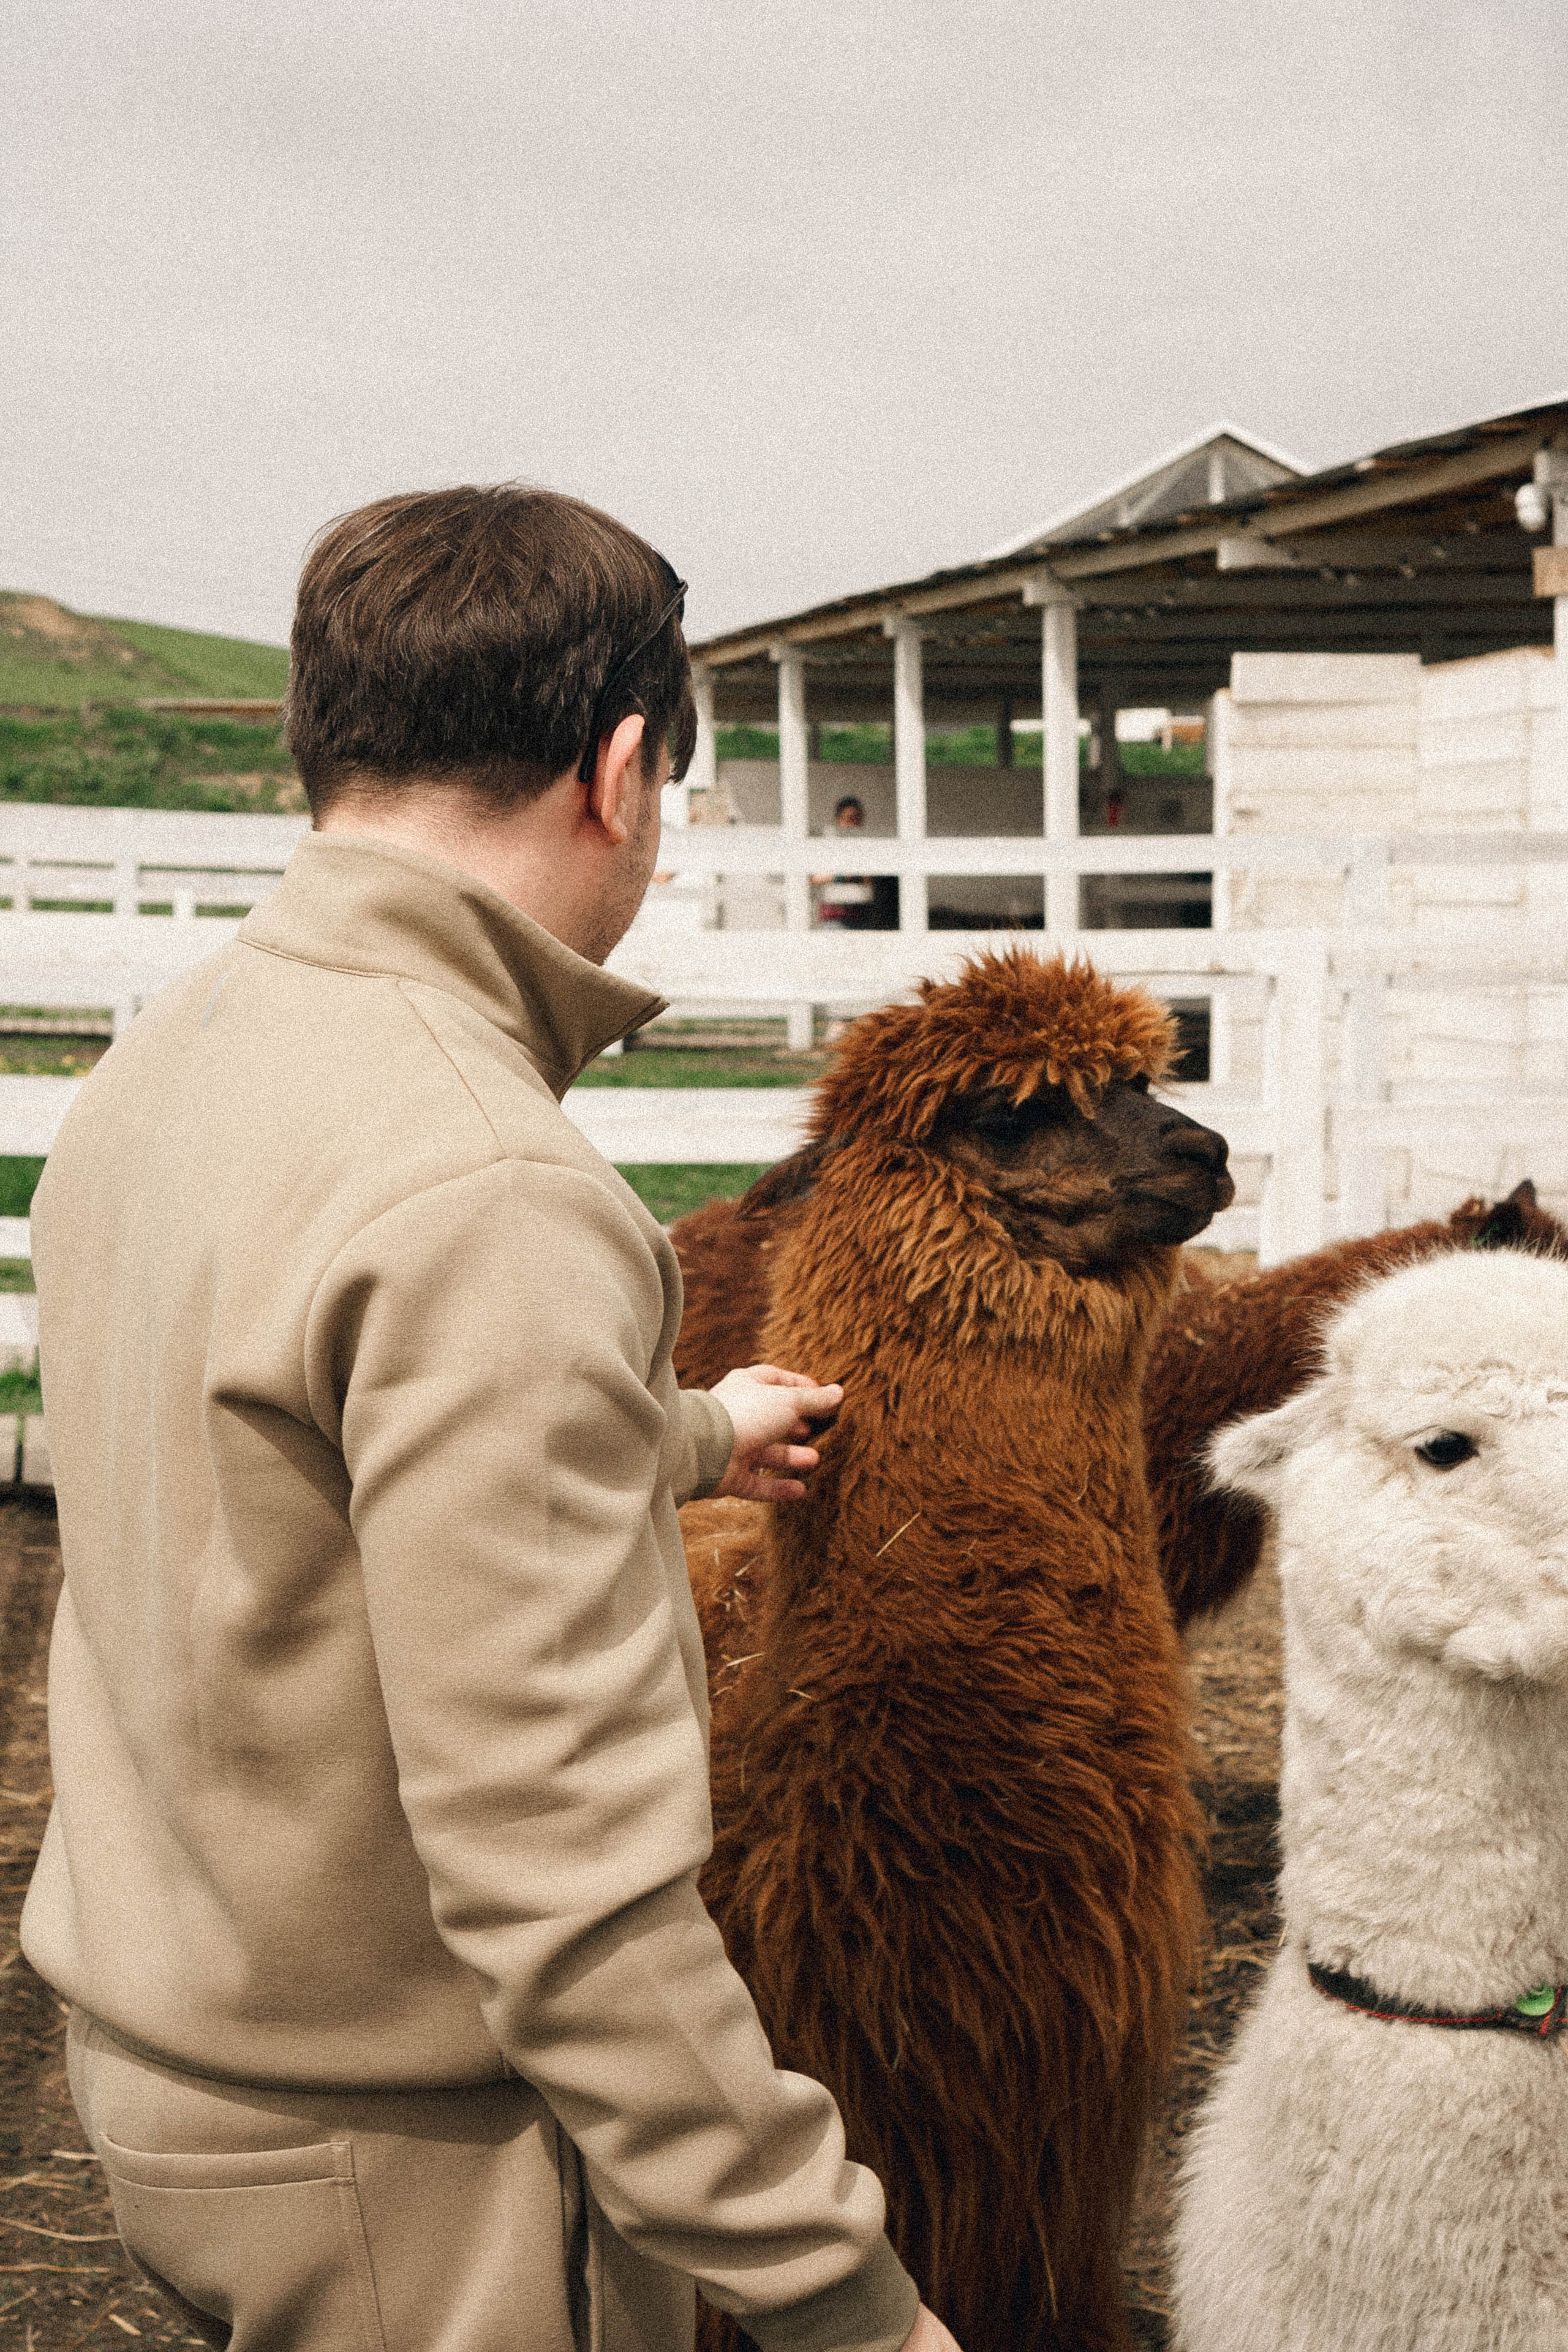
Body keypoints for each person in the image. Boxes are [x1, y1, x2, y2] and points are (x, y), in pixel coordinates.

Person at [23, 488, 959, 2352]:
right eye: (670, 793)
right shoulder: (483, 1185)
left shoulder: (174, 1057)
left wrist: (685, 1435)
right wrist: (848, 2301)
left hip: (177, 2057)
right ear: (616, 767)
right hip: (403, 2166)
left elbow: (287, 1477)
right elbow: (562, 1888)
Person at [813, 795, 899, 932]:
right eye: (847, 818)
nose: (852, 823)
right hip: (835, 918)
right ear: (838, 820)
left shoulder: (867, 848)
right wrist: (842, 876)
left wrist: (863, 874)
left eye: (856, 818)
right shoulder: (828, 848)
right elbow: (814, 878)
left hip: (862, 917)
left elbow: (872, 880)